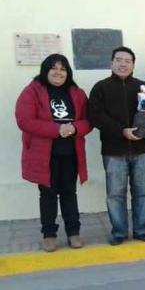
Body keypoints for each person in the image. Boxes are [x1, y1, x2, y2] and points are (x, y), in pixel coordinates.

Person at [89, 47, 145, 245]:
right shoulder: (100, 88)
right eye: (119, 60)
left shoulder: (143, 88)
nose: (123, 64)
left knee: (143, 192)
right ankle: (119, 232)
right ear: (111, 63)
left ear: (133, 64)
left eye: (127, 61)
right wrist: (121, 130)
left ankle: (141, 230)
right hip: (114, 151)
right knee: (115, 194)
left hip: (142, 150)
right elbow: (95, 117)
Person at [15, 54, 92, 252]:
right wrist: (56, 129)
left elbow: (89, 120)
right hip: (44, 155)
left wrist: (75, 128)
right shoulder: (32, 91)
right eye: (54, 68)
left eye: (63, 69)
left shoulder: (77, 92)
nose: (58, 72)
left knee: (69, 193)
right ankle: (49, 235)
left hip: (70, 154)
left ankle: (73, 233)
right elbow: (24, 120)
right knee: (48, 195)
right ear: (45, 70)